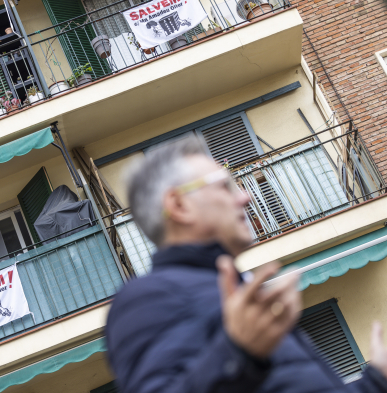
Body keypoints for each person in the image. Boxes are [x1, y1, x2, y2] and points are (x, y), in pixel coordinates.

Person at [105, 137, 387, 393]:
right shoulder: (145, 298)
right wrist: (238, 353)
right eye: (225, 185)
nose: (245, 196)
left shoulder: (236, 296)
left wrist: (377, 380)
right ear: (179, 206)